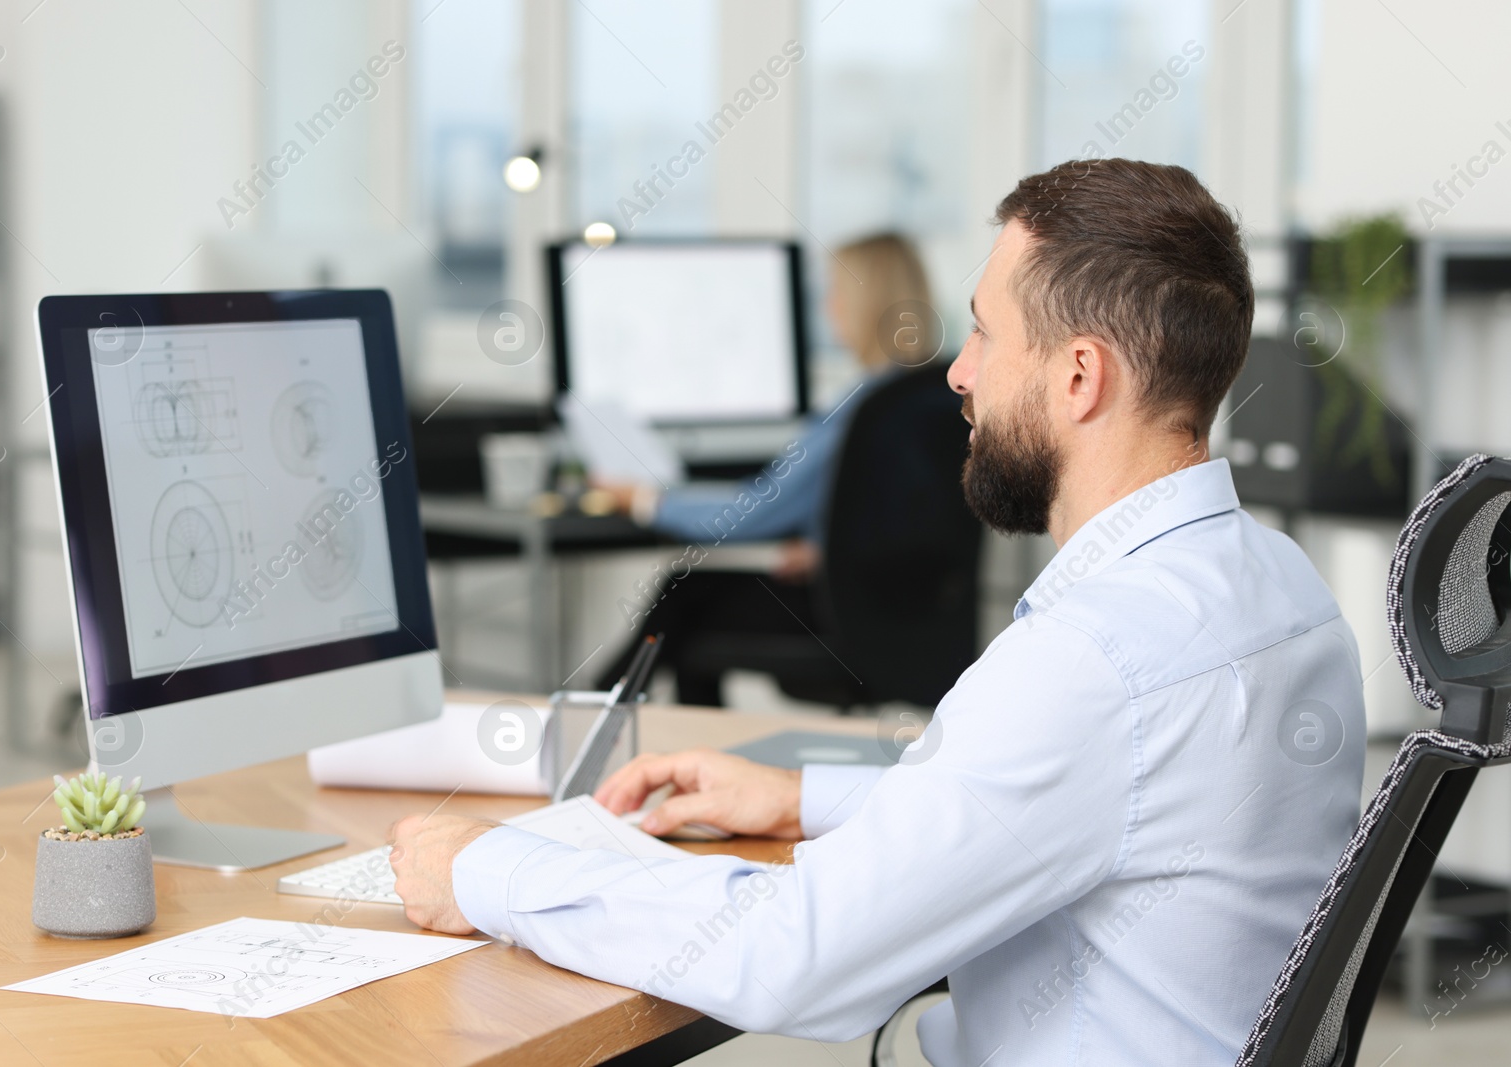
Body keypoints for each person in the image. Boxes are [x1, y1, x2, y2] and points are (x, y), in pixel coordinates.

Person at [388, 159, 1365, 1065]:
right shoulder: (1280, 587)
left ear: (1079, 375)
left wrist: (489, 870)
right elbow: (1086, 804)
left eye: (985, 332)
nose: (957, 372)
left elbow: (793, 954)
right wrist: (799, 797)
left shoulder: (1091, 660)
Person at [595, 232, 937, 706]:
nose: (827, 307)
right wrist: (828, 548)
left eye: (835, 293)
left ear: (863, 302)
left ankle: (595, 710)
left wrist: (647, 500)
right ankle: (605, 710)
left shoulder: (863, 409)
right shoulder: (933, 398)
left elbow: (751, 513)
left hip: (841, 616)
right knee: (691, 609)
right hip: (906, 612)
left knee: (685, 595)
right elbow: (911, 522)